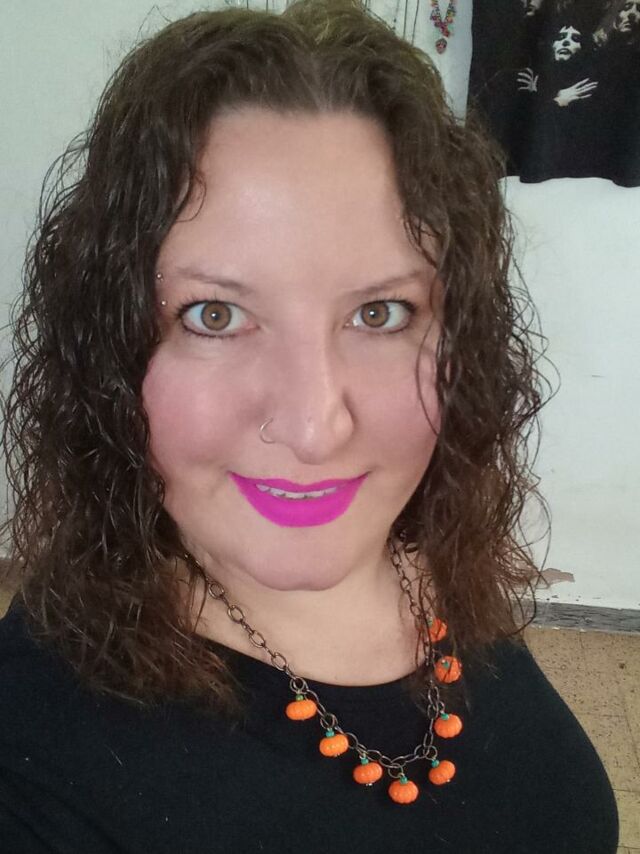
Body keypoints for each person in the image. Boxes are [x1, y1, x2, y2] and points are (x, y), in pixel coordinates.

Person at [0, 0, 619, 851]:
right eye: (215, 315)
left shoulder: (426, 558)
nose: (316, 427)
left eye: (381, 312)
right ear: (106, 346)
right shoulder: (35, 759)